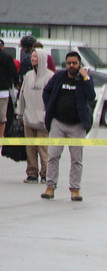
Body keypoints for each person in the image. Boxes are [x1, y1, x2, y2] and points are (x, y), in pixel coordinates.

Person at [41, 51, 96, 202]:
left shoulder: (83, 79)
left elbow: (91, 96)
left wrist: (86, 78)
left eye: (74, 63)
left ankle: (75, 189)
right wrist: (49, 107)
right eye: (69, 63)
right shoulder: (59, 77)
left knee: (76, 159)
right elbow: (46, 92)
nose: (71, 66)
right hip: (58, 123)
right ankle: (50, 187)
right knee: (53, 156)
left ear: (80, 64)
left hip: (77, 125)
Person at [17, 48, 53, 184]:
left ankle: (45, 173)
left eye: (35, 57)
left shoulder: (50, 76)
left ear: (42, 59)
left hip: (43, 119)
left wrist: (49, 115)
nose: (33, 59)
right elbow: (22, 96)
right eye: (32, 57)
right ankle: (32, 173)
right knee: (30, 149)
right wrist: (20, 114)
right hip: (28, 117)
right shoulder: (28, 76)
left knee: (44, 149)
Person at [0, 39, 18, 139]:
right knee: (2, 116)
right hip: (3, 91)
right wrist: (15, 83)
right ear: (2, 47)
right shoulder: (7, 58)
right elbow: (14, 73)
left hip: (3, 90)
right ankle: (1, 136)